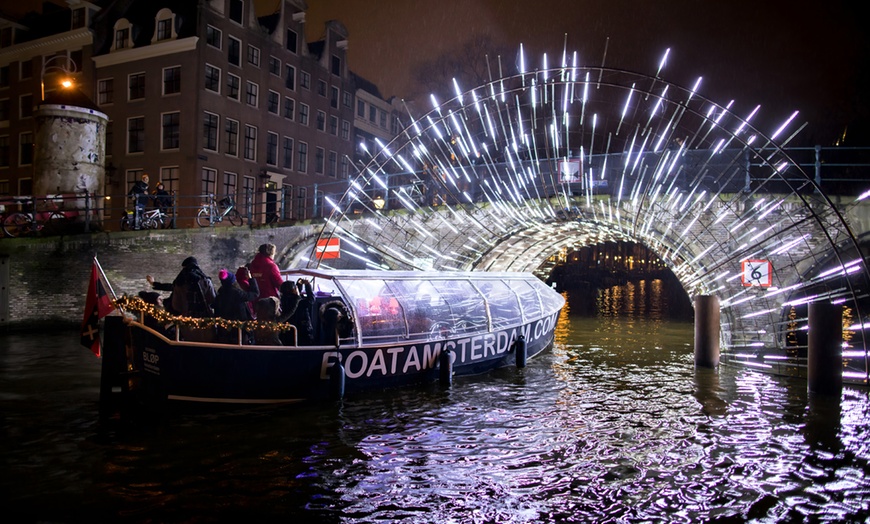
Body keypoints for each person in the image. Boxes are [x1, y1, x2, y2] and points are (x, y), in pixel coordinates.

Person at [146, 256, 215, 318]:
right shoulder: (206, 281)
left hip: (186, 319)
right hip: (205, 318)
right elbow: (212, 299)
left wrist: (154, 283)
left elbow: (176, 305)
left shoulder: (180, 282)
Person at [212, 268, 259, 343]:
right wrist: (251, 279)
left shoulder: (220, 293)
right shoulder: (237, 293)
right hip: (238, 329)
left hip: (224, 330)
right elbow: (255, 294)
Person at [277, 278, 314, 345]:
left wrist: (298, 285)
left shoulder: (283, 300)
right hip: (302, 330)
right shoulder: (299, 302)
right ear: (294, 290)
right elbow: (311, 300)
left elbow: (294, 296)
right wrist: (308, 286)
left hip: (288, 331)